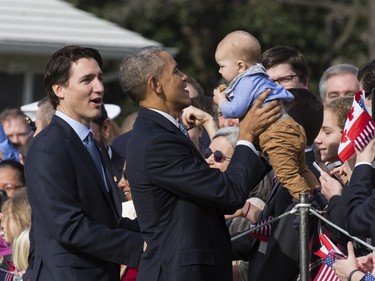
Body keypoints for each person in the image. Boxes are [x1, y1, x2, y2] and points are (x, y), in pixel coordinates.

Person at [118, 45, 282, 281]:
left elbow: (215, 198)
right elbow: (228, 194)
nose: (184, 77)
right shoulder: (157, 141)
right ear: (155, 85)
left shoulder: (161, 133)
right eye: (175, 72)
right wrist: (246, 135)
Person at [24, 45, 143, 281]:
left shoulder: (94, 146)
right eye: (87, 80)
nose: (99, 88)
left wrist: (164, 231)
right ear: (59, 89)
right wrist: (142, 245)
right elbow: (69, 226)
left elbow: (107, 221)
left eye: (99, 78)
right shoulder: (49, 147)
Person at [213, 30, 319, 199]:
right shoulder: (260, 76)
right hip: (291, 127)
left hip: (277, 136)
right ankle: (318, 196)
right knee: (302, 169)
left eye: (222, 66)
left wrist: (221, 100)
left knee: (288, 175)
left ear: (240, 66)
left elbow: (233, 110)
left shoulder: (246, 81)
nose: (219, 71)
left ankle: (305, 206)